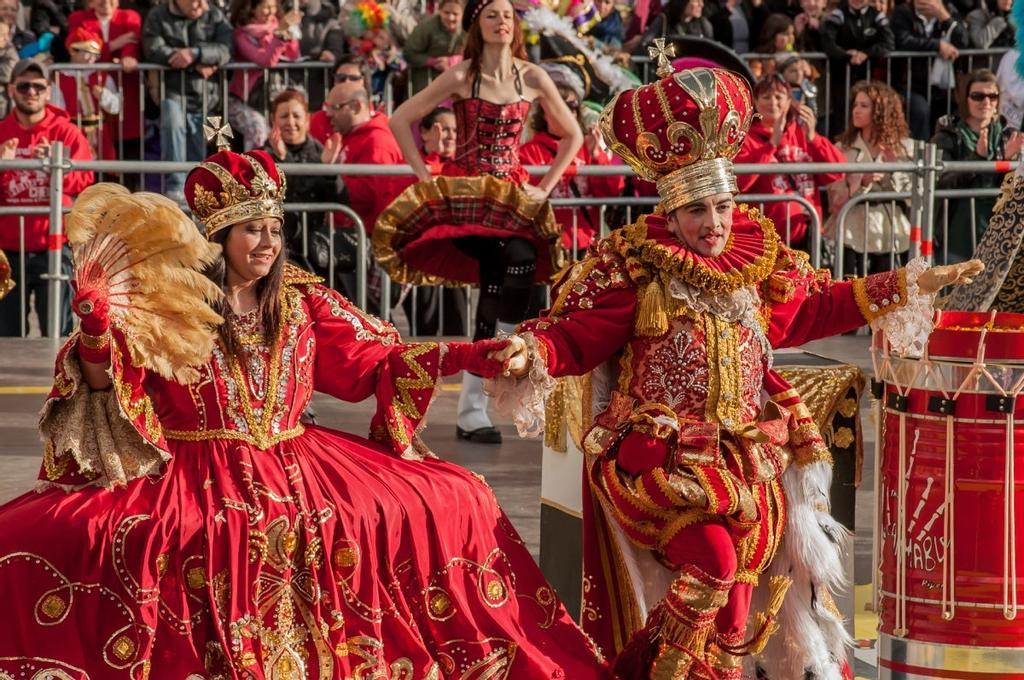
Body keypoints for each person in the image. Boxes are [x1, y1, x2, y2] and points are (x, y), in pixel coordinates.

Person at [0, 139, 608, 677]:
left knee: (455, 495)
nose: (267, 242)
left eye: (274, 228)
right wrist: (96, 335)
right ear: (218, 237)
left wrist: (473, 354)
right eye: (252, 230)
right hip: (192, 468)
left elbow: (380, 357)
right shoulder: (169, 301)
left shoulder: (301, 299)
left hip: (297, 457)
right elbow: (108, 386)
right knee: (65, 533)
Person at [488, 64, 984, 680]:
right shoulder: (637, 268)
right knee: (714, 563)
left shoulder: (753, 265)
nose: (715, 223)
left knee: (734, 617)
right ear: (671, 213)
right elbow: (577, 335)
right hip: (658, 462)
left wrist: (904, 284)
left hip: (746, 466)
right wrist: (531, 350)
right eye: (697, 209)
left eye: (722, 205)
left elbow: (814, 307)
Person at [375, 0, 582, 444]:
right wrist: (425, 176)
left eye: (507, 15)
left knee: (515, 266)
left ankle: (482, 389)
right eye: (492, 14)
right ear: (477, 24)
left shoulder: (533, 76)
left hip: (511, 196)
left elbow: (573, 134)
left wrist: (545, 187)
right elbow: (400, 118)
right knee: (501, 264)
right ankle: (476, 401)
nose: (501, 21)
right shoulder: (461, 74)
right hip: (468, 197)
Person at [0, 59, 94, 337]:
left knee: (59, 334)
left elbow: (85, 180)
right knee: (6, 338)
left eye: (38, 86)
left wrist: (57, 169)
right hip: (7, 251)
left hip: (53, 248)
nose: (32, 92)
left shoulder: (66, 132)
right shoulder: (2, 133)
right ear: (11, 90)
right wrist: (3, 166)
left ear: (48, 91)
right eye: (24, 86)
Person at [518, 62, 624, 257]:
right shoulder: (528, 152)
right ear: (544, 113)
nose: (567, 113)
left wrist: (597, 157)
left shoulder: (587, 147)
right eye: (560, 106)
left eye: (572, 107)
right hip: (545, 245)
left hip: (587, 245)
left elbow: (611, 191)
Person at [735, 73, 845, 251]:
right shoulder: (746, 139)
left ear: (788, 101)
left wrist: (813, 138)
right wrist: (771, 145)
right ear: (755, 102)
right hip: (767, 243)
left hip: (808, 236)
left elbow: (838, 172)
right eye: (766, 97)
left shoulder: (802, 132)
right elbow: (740, 182)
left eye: (779, 97)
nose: (773, 102)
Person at [142, 0, 232, 201]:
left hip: (211, 96)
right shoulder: (158, 15)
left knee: (214, 140)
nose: (200, 4)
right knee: (173, 125)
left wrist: (196, 54)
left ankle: (206, 188)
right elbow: (153, 48)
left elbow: (226, 49)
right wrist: (193, 63)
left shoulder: (215, 15)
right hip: (172, 91)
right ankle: (176, 186)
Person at [933, 68, 1024, 263]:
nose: (986, 102)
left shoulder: (1007, 136)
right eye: (978, 96)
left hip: (998, 236)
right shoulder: (948, 136)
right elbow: (941, 183)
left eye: (992, 96)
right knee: (953, 292)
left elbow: (1013, 188)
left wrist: (1007, 162)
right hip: (958, 235)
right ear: (966, 99)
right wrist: (977, 158)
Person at [827, 81, 914, 276]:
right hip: (851, 230)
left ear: (882, 112)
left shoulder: (905, 148)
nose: (856, 111)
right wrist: (860, 183)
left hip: (891, 232)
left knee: (888, 297)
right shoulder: (842, 148)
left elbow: (915, 197)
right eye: (855, 105)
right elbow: (834, 202)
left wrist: (895, 168)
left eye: (864, 106)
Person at [261, 89, 337, 275]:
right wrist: (282, 159)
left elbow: (340, 201)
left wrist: (329, 171)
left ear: (307, 119)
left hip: (314, 247)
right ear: (273, 120)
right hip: (277, 246)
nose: (291, 122)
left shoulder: (322, 152)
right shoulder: (262, 156)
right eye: (284, 116)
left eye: (296, 116)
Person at [68, 0, 143, 181]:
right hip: (90, 95)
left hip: (125, 89)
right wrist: (112, 46)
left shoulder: (129, 16)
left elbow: (131, 45)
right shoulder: (79, 18)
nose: (106, 2)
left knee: (127, 149)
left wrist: (126, 56)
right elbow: (82, 45)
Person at [227, 0, 301, 151]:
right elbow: (265, 60)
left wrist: (289, 31)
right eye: (266, 7)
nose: (271, 12)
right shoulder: (242, 35)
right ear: (252, 8)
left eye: (273, 7)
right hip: (243, 100)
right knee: (258, 129)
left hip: (272, 97)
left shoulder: (277, 28)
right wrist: (280, 34)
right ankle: (254, 171)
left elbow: (293, 55)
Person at [891, 0, 969, 140]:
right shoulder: (902, 12)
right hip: (909, 84)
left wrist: (944, 16)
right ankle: (919, 156)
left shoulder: (948, 10)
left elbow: (963, 40)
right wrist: (937, 45)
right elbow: (902, 41)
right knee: (920, 111)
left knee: (950, 115)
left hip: (941, 86)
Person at [51, 27, 122, 162]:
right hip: (73, 134)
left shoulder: (103, 76)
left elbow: (116, 107)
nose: (93, 58)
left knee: (104, 175)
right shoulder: (60, 78)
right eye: (88, 53)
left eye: (96, 54)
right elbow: (57, 111)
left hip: (100, 135)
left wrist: (104, 96)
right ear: (72, 51)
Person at [402, 0, 466, 98]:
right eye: (446, 13)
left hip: (457, 75)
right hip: (426, 77)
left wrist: (452, 61)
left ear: (462, 14)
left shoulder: (468, 28)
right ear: (439, 11)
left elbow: (477, 53)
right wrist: (433, 62)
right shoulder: (427, 27)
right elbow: (409, 53)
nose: (450, 18)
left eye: (455, 14)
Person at [309, 54, 373, 144]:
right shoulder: (319, 121)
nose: (346, 82)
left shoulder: (377, 124)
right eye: (340, 78)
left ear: (365, 82)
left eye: (354, 78)